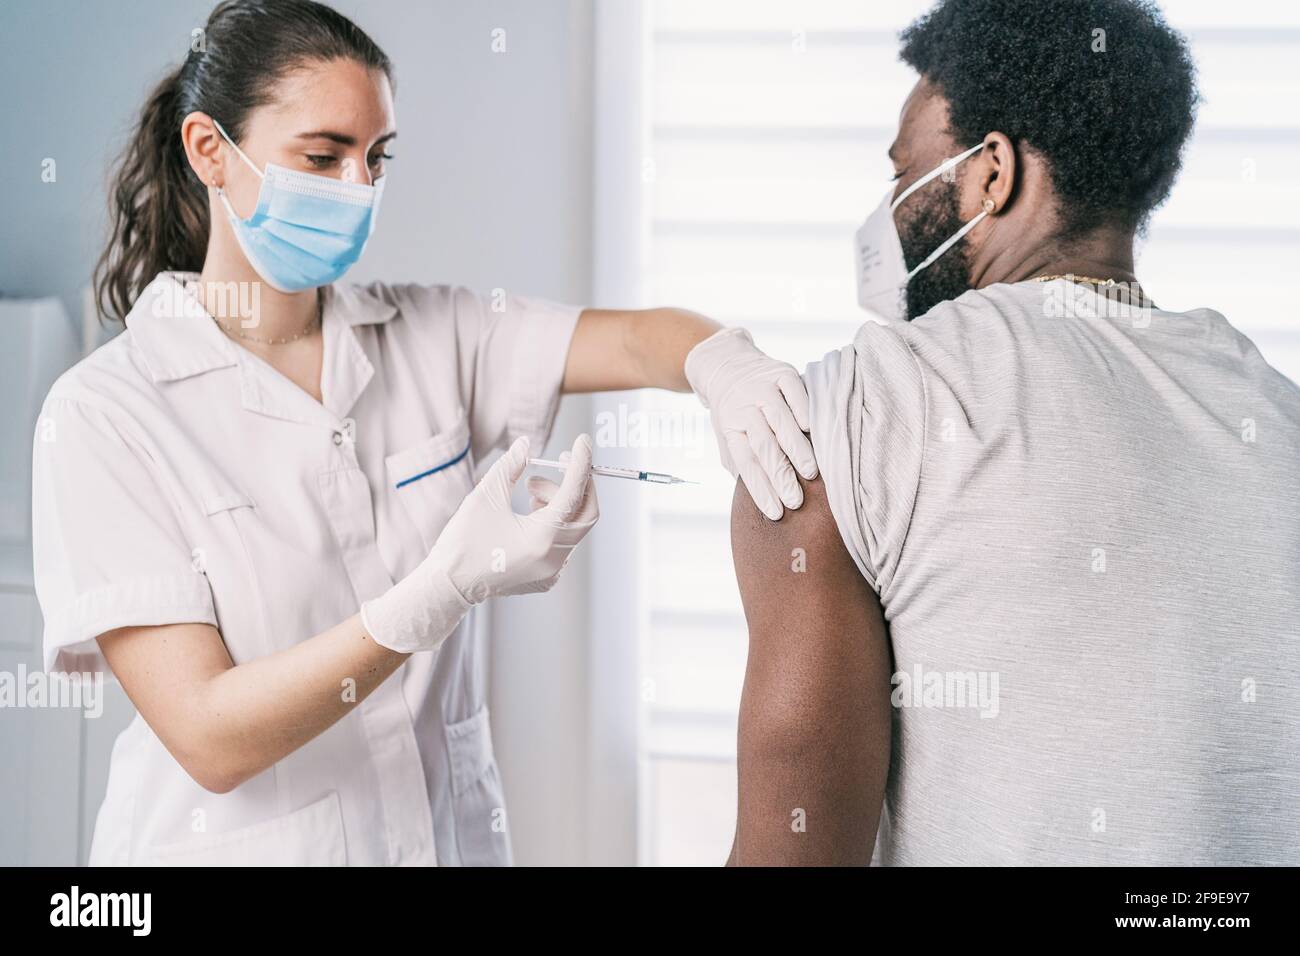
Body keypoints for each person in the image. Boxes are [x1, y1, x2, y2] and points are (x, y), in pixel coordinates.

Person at [31, 0, 816, 867]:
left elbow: (634, 340)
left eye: (377, 158)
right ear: (210, 150)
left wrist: (721, 364)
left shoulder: (431, 333)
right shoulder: (108, 412)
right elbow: (209, 735)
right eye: (323, 156)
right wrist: (438, 591)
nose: (358, 188)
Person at [728, 0, 1300, 865]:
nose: (888, 209)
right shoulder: (1275, 414)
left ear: (992, 173)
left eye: (904, 172)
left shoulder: (842, 420)